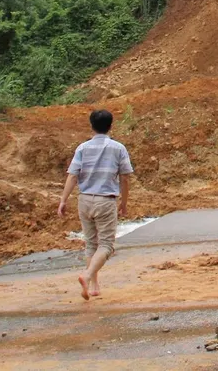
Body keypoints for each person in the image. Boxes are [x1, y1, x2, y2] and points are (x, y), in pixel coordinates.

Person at [58, 109, 133, 300]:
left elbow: (73, 175)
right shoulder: (118, 148)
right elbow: (125, 178)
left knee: (91, 243)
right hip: (105, 200)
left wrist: (63, 200)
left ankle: (93, 286)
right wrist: (124, 203)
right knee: (107, 245)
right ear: (111, 125)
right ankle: (88, 275)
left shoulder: (82, 148)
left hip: (84, 199)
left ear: (91, 126)